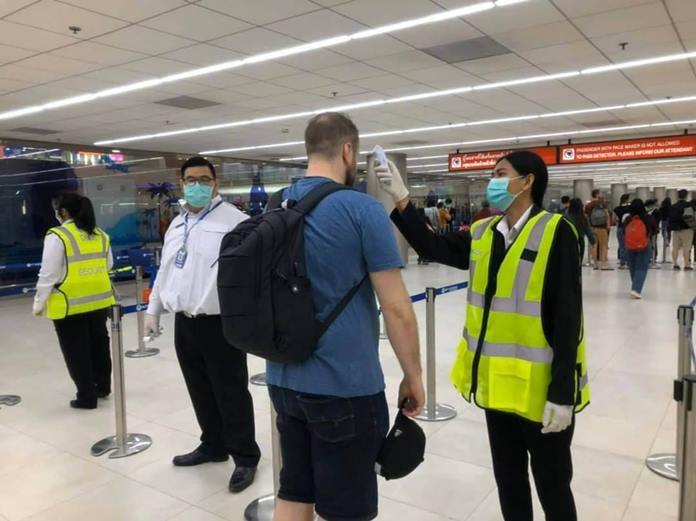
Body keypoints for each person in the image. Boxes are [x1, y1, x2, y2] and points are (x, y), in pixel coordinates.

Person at [377, 150, 589, 521]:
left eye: (501, 173)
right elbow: (432, 246)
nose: (493, 181)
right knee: (509, 480)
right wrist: (402, 198)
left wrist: (561, 394)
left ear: (527, 181)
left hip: (540, 392)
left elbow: (568, 318)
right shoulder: (483, 233)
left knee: (553, 485)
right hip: (496, 387)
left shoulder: (557, 232)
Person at [267, 112, 425, 521]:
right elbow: (396, 308)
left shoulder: (274, 205)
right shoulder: (361, 209)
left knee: (294, 491)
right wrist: (413, 375)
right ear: (348, 150)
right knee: (347, 510)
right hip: (345, 387)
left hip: (283, 380)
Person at [144, 156, 261, 493]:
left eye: (204, 180)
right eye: (191, 180)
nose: (197, 185)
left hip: (221, 324)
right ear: (182, 184)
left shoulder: (236, 222)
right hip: (185, 322)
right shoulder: (177, 225)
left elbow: (252, 276)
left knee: (231, 391)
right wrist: (153, 310)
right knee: (199, 388)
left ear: (215, 184)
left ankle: (245, 456)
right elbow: (166, 270)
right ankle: (213, 444)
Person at [33, 193, 115, 409]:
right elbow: (108, 265)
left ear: (63, 212)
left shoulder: (58, 236)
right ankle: (103, 387)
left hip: (69, 304)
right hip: (99, 301)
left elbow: (48, 274)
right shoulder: (101, 235)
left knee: (76, 351)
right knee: (99, 345)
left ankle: (86, 397)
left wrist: (39, 303)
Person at [624, 198, 658, 299]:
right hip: (644, 245)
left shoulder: (628, 219)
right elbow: (655, 230)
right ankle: (636, 289)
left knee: (633, 267)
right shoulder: (648, 218)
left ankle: (635, 286)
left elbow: (624, 230)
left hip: (630, 246)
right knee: (641, 268)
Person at [585, 189, 612, 270]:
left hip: (592, 228)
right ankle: (603, 264)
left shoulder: (588, 205)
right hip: (602, 227)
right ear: (597, 195)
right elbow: (607, 215)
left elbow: (586, 217)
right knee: (604, 245)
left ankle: (595, 264)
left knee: (594, 245)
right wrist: (608, 225)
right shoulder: (602, 204)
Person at [669, 189, 696, 270]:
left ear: (678, 196)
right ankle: (687, 265)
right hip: (687, 230)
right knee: (686, 248)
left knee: (675, 248)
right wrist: (694, 227)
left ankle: (675, 264)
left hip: (675, 230)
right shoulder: (688, 205)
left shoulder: (673, 206)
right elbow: (689, 218)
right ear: (686, 196)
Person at [613, 193, 631, 269]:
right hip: (630, 229)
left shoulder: (617, 209)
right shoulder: (631, 208)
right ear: (627, 199)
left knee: (621, 246)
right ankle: (629, 262)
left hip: (620, 228)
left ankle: (622, 263)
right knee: (629, 245)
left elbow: (614, 220)